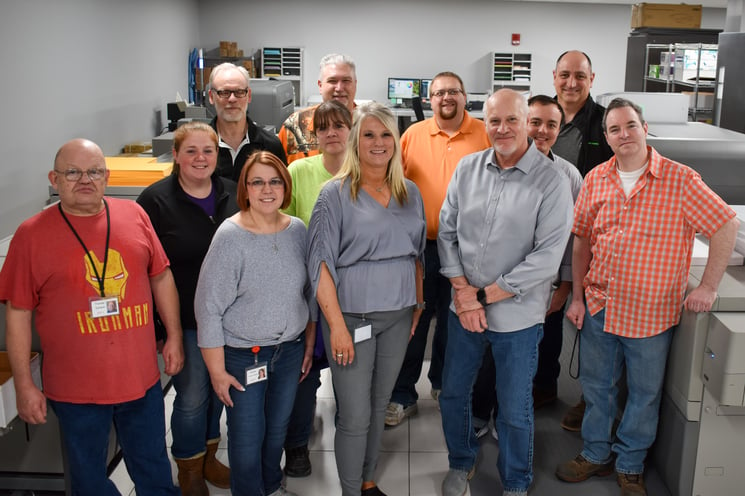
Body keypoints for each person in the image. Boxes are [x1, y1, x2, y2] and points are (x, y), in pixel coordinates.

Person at [555, 98, 738, 496]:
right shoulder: (597, 179)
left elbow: (725, 225)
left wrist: (707, 286)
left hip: (651, 315)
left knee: (643, 394)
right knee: (597, 388)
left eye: (630, 126)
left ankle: (630, 465)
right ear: (606, 137)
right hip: (601, 307)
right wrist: (578, 298)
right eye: (615, 129)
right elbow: (582, 240)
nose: (624, 135)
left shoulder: (681, 179)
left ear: (644, 127)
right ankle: (594, 454)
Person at [0, 139, 184, 495]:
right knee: (88, 480)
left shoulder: (134, 215)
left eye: (94, 171)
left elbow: (161, 277)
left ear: (107, 176)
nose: (85, 180)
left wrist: (174, 336)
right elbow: (18, 314)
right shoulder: (31, 235)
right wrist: (24, 385)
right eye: (73, 172)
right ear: (54, 179)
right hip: (75, 391)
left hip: (140, 379)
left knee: (154, 470)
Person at [438, 89, 573, 496]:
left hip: (517, 318)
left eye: (511, 120)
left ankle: (516, 482)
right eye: (493, 121)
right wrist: (462, 292)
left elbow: (548, 257)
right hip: (463, 313)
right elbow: (447, 232)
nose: (502, 129)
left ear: (525, 122)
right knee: (454, 395)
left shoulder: (553, 181)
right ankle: (461, 462)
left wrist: (482, 297)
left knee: (515, 409)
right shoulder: (467, 168)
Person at [307, 102, 426, 496]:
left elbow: (417, 254)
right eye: (369, 135)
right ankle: (350, 489)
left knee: (379, 406)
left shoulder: (409, 192)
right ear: (356, 141)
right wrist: (336, 327)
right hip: (353, 318)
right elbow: (321, 264)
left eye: (386, 134)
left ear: (396, 140)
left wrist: (418, 304)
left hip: (399, 314)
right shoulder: (335, 194)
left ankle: (368, 478)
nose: (378, 142)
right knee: (355, 415)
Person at [195, 151, 312, 496]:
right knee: (247, 437)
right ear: (245, 188)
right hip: (244, 355)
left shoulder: (298, 231)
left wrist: (307, 343)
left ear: (285, 187)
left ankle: (271, 487)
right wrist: (217, 372)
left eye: (275, 181)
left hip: (289, 352)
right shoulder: (230, 237)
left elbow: (306, 293)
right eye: (257, 182)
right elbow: (208, 308)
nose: (267, 189)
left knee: (277, 431)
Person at [137, 122, 238, 494]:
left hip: (232, 321)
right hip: (186, 321)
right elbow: (145, 270)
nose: (200, 158)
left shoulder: (232, 193)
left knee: (220, 392)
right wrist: (166, 333)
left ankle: (209, 457)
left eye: (208, 151)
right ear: (176, 156)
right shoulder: (155, 201)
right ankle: (189, 468)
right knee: (194, 397)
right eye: (191, 151)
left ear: (218, 156)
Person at [386, 71, 490, 427]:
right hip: (420, 248)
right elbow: (393, 184)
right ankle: (402, 394)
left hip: (467, 251)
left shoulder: (485, 133)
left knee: (454, 322)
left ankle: (445, 387)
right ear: (429, 100)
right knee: (413, 320)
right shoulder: (413, 135)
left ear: (466, 97)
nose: (446, 97)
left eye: (454, 91)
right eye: (439, 92)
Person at [282, 100, 353, 478]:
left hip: (352, 290)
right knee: (304, 370)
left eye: (338, 125)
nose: (331, 133)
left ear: (350, 129)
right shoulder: (298, 171)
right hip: (306, 288)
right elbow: (285, 226)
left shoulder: (365, 172)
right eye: (323, 127)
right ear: (314, 134)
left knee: (349, 368)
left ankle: (351, 435)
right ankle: (296, 445)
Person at [551, 50, 614, 431]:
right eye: (564, 75)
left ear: (592, 79)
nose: (571, 83)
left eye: (580, 76)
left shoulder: (605, 122)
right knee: (544, 313)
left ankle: (589, 400)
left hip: (589, 238)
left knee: (591, 326)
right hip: (543, 234)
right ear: (553, 76)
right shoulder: (539, 116)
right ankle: (542, 385)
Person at [528, 95, 584, 408]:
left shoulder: (569, 176)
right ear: (523, 123)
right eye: (535, 122)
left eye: (551, 124)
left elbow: (574, 237)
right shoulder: (501, 166)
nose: (542, 130)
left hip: (550, 284)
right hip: (509, 283)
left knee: (548, 341)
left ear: (559, 130)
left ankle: (544, 389)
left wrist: (564, 287)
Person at [208, 62, 287, 181]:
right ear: (211, 97)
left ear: (249, 95)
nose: (232, 99)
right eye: (224, 92)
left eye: (239, 92)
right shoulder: (199, 147)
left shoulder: (270, 146)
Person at [278, 53, 358, 164]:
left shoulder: (368, 124)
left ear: (355, 84)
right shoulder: (295, 126)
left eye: (346, 81)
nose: (339, 88)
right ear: (320, 86)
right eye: (332, 81)